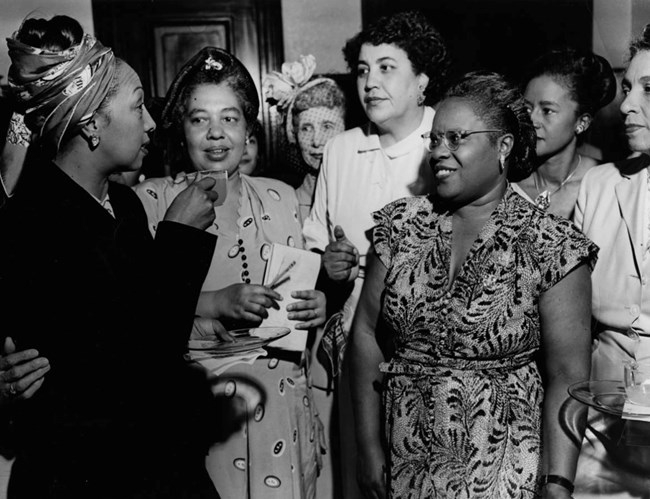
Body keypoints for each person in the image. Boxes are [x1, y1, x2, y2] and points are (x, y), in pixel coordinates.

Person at [0, 15, 223, 499]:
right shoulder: (34, 222)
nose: (150, 123)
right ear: (91, 123)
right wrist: (180, 239)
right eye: (137, 105)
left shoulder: (123, 204)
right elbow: (132, 366)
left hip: (148, 463)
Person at [350, 71, 597, 499]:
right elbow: (367, 334)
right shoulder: (399, 227)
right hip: (407, 460)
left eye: (457, 137)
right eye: (434, 139)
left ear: (503, 146)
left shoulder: (552, 245)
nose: (439, 152)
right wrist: (369, 445)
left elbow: (567, 374)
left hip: (505, 467)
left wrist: (556, 483)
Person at [134, 47, 327, 499]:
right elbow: (138, 314)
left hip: (285, 404)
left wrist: (315, 306)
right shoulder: (152, 201)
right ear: (181, 129)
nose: (216, 134)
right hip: (203, 409)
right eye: (199, 119)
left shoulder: (281, 197)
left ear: (249, 128)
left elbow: (298, 299)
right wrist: (218, 303)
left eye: (231, 118)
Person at [301, 11, 449, 497]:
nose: (370, 82)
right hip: (356, 336)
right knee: (365, 475)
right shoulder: (342, 150)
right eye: (363, 70)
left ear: (422, 81)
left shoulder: (445, 144)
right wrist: (330, 263)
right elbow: (315, 241)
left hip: (429, 343)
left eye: (387, 68)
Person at [572, 25, 650, 498]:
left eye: (649, 89)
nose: (626, 105)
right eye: (627, 88)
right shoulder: (600, 186)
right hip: (606, 429)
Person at [512, 48, 616, 218]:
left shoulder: (605, 184)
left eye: (547, 110)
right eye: (527, 108)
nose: (531, 120)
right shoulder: (506, 181)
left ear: (581, 122)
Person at [264, 54, 346, 222]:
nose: (316, 141)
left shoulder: (368, 189)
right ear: (294, 135)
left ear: (346, 129)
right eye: (306, 129)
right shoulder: (284, 204)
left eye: (327, 127)